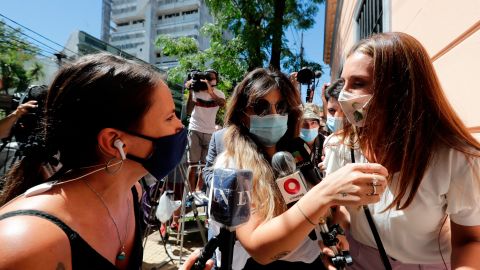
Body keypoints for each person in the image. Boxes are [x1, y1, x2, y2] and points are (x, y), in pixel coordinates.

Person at [0, 53, 187, 270]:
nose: (180, 127)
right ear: (114, 142)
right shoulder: (30, 244)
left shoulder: (131, 193)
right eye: (170, 117)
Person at [323, 32, 480, 269]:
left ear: (399, 89)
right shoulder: (339, 147)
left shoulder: (456, 158)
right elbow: (337, 209)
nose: (344, 95)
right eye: (343, 83)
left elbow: (470, 240)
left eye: (358, 83)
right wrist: (335, 239)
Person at [210, 67, 388, 269]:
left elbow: (326, 213)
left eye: (282, 106)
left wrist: (333, 233)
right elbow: (259, 249)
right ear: (243, 114)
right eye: (261, 107)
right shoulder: (229, 166)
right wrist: (325, 193)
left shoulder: (297, 153)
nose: (274, 114)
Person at [185, 69, 225, 208]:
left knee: (204, 164)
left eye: (212, 78)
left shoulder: (219, 94)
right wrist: (190, 91)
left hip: (209, 132)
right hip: (194, 128)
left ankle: (198, 191)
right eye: (207, 78)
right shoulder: (196, 91)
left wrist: (210, 92)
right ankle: (190, 193)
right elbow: (188, 111)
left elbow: (223, 104)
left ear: (216, 80)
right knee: (192, 164)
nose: (209, 80)